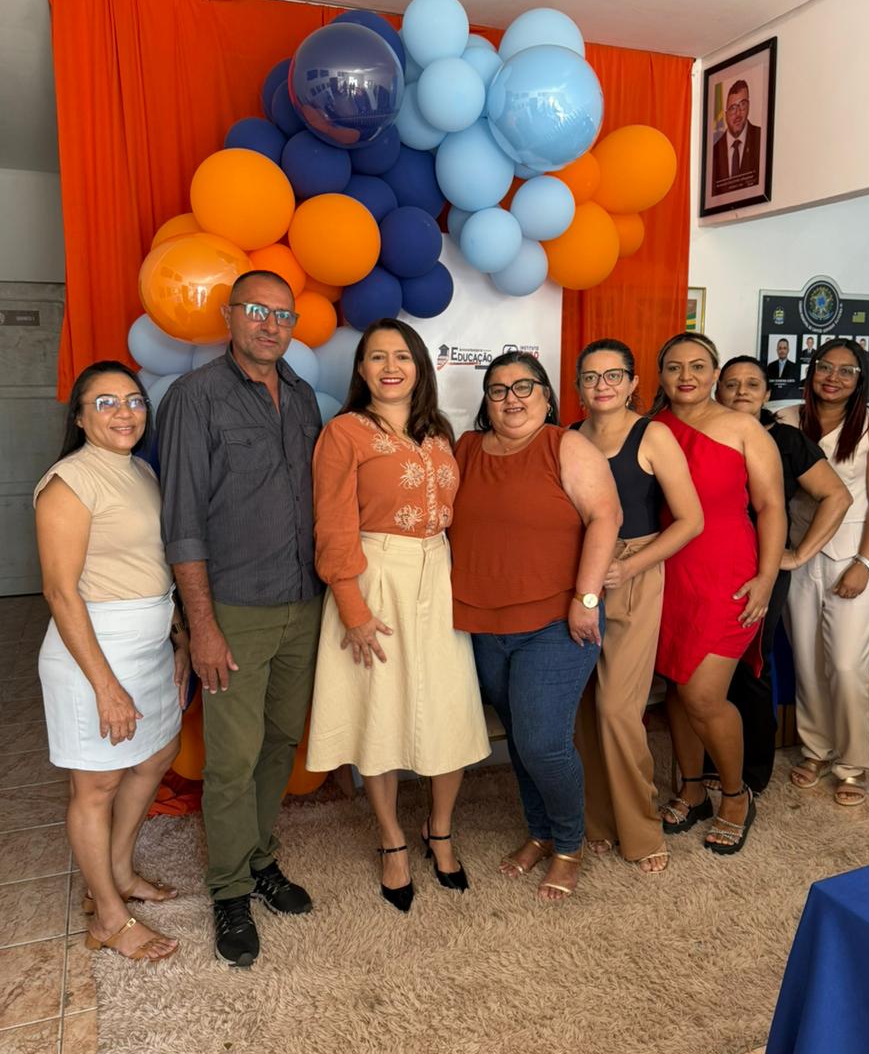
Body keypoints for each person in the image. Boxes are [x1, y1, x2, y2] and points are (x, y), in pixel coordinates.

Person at [157, 270, 323, 966]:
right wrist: (202, 624)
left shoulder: (304, 396)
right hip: (234, 610)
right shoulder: (193, 398)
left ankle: (259, 859)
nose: (270, 324)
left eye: (283, 314)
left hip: (304, 605)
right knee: (230, 759)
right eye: (256, 310)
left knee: (280, 742)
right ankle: (228, 890)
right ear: (229, 315)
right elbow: (182, 523)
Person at [306, 319, 490, 912]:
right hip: (375, 575)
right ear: (361, 369)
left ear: (419, 367)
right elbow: (332, 523)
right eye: (378, 357)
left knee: (449, 708)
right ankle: (392, 841)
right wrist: (352, 607)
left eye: (402, 356)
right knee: (379, 712)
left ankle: (441, 830)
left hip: (439, 573)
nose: (391, 367)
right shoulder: (343, 433)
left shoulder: (440, 431)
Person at [449, 352, 621, 902]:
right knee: (522, 741)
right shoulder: (466, 449)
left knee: (544, 743)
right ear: (486, 402)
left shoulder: (564, 445)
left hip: (556, 621)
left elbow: (606, 518)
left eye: (524, 386)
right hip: (482, 622)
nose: (512, 398)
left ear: (547, 396)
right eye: (499, 390)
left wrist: (586, 598)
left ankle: (569, 845)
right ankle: (540, 831)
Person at [35, 362, 190, 962]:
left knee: (155, 755)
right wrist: (105, 687)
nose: (124, 412)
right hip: (92, 652)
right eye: (105, 403)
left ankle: (120, 872)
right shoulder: (69, 483)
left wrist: (177, 635)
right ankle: (108, 915)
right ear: (79, 417)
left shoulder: (142, 471)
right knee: (96, 785)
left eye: (133, 400)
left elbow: (152, 565)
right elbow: (60, 592)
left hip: (148, 643)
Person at [570, 339, 703, 872]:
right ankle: (598, 820)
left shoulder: (654, 435)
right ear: (578, 387)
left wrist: (632, 566)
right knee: (582, 707)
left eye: (612, 375)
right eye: (590, 377)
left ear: (632, 384)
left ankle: (641, 830)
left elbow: (691, 520)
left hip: (632, 570)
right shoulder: (570, 436)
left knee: (617, 709)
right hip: (579, 571)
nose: (601, 385)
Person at [653, 335, 785, 854]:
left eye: (698, 366)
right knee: (678, 686)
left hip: (729, 573)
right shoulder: (651, 428)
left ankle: (735, 794)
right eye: (674, 367)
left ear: (713, 373)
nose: (686, 376)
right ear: (660, 376)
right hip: (667, 574)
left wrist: (767, 577)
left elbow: (771, 507)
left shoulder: (744, 427)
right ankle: (691, 788)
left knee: (704, 694)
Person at [710, 357, 851, 791]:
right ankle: (713, 764)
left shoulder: (786, 439)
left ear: (768, 393)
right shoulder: (702, 434)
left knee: (750, 666)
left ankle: (752, 773)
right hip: (707, 566)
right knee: (707, 670)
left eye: (752, 384)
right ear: (717, 391)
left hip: (761, 569)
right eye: (731, 384)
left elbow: (837, 495)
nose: (741, 391)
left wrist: (797, 555)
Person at [781, 339, 869, 805]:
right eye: (825, 367)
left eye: (846, 371)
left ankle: (852, 763)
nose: (833, 377)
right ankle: (816, 749)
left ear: (859, 379)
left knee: (848, 666)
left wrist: (865, 564)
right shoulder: (787, 419)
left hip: (852, 556)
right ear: (811, 371)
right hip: (798, 552)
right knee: (808, 663)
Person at [711, 79, 762, 196]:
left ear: (748, 107)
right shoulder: (714, 152)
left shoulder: (761, 139)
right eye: (733, 108)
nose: (738, 114)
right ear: (725, 115)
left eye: (742, 105)